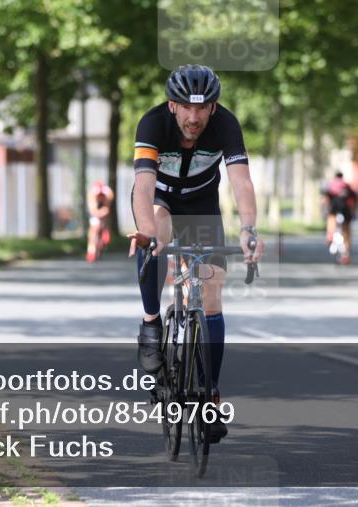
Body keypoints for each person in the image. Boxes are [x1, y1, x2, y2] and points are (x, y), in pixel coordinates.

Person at [127, 64, 264, 443]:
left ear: (213, 108)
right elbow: (142, 186)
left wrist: (248, 229)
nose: (194, 116)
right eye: (186, 107)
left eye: (202, 109)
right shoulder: (152, 124)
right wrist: (146, 232)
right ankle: (151, 324)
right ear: (172, 105)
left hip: (202, 204)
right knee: (155, 229)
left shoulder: (226, 125)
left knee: (213, 294)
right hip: (159, 200)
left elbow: (242, 182)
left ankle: (209, 394)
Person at [322, 171, 358, 265]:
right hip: (345, 209)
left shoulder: (331, 185)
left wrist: (324, 210)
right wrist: (355, 211)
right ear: (342, 177)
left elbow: (325, 198)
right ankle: (346, 249)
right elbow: (355, 197)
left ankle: (330, 235)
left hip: (334, 209)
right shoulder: (346, 185)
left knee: (331, 220)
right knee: (346, 230)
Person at [86, 180, 114, 263]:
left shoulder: (109, 194)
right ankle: (91, 251)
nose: (100, 197)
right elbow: (92, 211)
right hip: (95, 212)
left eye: (102, 195)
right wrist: (99, 214)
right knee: (93, 229)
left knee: (104, 224)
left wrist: (103, 214)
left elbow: (107, 209)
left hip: (103, 211)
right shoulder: (91, 195)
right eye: (99, 195)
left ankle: (105, 233)